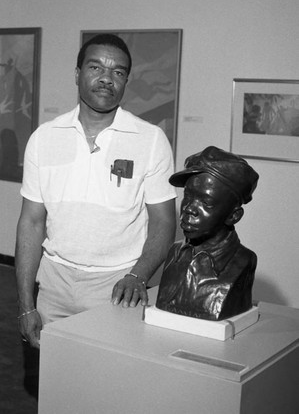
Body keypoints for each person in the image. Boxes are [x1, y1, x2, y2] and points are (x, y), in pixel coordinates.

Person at [15, 33, 177, 349]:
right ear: (78, 74)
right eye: (96, 67)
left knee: (110, 385)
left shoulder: (150, 139)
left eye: (118, 72)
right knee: (55, 385)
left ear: (126, 81)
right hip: (54, 285)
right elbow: (31, 223)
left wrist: (138, 276)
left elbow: (163, 222)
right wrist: (25, 304)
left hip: (119, 286)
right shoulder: (45, 138)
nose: (106, 78)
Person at [156, 146, 259, 321]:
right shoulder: (174, 253)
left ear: (233, 216)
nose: (189, 209)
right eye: (187, 196)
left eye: (206, 202)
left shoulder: (243, 261)